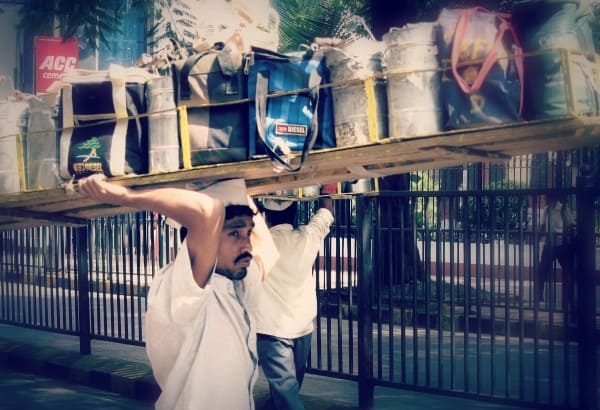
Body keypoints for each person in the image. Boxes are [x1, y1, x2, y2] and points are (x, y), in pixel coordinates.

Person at [78, 174, 278, 410]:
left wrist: (238, 186)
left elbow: (269, 252)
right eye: (234, 234)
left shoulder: (235, 283)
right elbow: (207, 210)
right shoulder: (185, 287)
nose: (247, 245)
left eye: (248, 233)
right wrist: (124, 196)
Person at [254, 195, 334, 410]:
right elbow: (326, 212)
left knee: (284, 392)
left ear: (267, 216)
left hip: (270, 331)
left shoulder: (258, 243)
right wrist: (326, 188)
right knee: (289, 389)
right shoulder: (308, 237)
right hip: (302, 327)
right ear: (295, 212)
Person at [536, 191, 576, 319]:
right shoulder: (546, 210)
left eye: (547, 197)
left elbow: (572, 226)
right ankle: (539, 295)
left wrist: (568, 236)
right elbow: (542, 226)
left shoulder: (564, 209)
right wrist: (539, 233)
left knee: (568, 272)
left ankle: (570, 302)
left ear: (553, 198)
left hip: (562, 245)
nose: (545, 199)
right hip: (549, 244)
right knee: (541, 269)